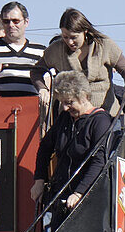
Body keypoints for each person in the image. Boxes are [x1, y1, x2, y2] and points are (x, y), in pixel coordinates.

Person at [30, 71, 117, 221]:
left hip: (88, 200)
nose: (64, 108)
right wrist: (39, 180)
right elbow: (45, 147)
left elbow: (99, 160)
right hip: (61, 196)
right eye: (62, 103)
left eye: (69, 102)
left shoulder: (100, 121)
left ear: (83, 96)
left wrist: (79, 193)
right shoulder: (65, 118)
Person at [31, 8, 125, 117]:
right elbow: (36, 71)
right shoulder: (56, 49)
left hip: (106, 114)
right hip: (71, 118)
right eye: (65, 37)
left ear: (85, 31)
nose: (69, 42)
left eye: (74, 37)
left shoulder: (104, 45)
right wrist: (42, 88)